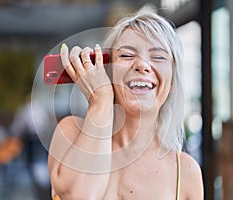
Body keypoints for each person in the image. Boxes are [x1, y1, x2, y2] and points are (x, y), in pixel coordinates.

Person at [48, 6, 203, 200]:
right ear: (109, 72)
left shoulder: (186, 172)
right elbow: (81, 196)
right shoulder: (70, 132)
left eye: (158, 57)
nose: (142, 65)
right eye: (127, 55)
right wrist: (100, 101)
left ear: (172, 81)